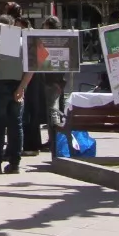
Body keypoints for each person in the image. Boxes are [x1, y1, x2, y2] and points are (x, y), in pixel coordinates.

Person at [0, 15, 32, 175]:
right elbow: (31, 69)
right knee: (16, 126)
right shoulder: (24, 43)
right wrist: (21, 88)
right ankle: (15, 163)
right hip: (17, 85)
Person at [38, 15, 70, 151]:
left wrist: (57, 82)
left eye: (44, 25)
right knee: (53, 111)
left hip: (53, 82)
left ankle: (55, 142)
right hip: (55, 81)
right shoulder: (62, 40)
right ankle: (53, 140)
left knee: (53, 112)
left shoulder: (52, 41)